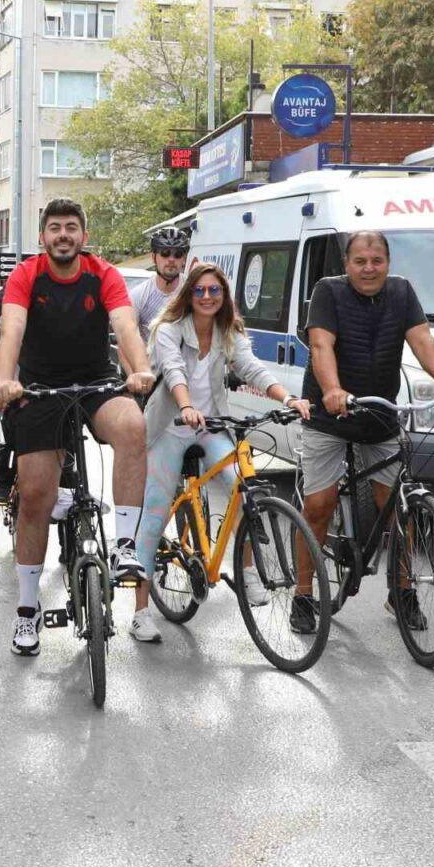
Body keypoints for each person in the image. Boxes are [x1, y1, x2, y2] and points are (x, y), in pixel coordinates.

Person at [0, 198, 155, 657]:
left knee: (132, 425)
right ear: (43, 237)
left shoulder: (103, 274)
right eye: (55, 228)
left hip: (96, 382)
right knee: (35, 500)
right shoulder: (27, 275)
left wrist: (139, 368)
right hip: (40, 388)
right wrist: (6, 379)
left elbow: (125, 327)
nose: (63, 235)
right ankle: (27, 610)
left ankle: (124, 545)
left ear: (83, 236)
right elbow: (13, 329)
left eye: (71, 228)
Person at [294, 231, 434, 631]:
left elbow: (422, 340)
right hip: (331, 415)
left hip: (379, 414)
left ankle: (401, 592)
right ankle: (303, 594)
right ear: (347, 264)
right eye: (360, 261)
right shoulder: (328, 292)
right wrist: (333, 389)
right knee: (318, 505)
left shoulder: (402, 292)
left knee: (398, 508)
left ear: (388, 263)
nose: (369, 268)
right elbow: (321, 346)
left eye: (377, 261)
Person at [131, 262, 312, 641]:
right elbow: (175, 371)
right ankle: (140, 612)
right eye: (200, 291)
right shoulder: (168, 330)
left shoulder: (227, 330)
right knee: (156, 510)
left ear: (224, 296)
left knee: (240, 485)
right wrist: (184, 406)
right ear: (189, 295)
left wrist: (287, 397)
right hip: (170, 425)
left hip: (211, 423)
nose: (208, 297)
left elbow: (251, 368)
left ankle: (246, 571)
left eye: (215, 291)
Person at [130, 227, 190, 343]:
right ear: (154, 258)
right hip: (151, 360)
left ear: (183, 259)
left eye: (177, 254)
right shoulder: (139, 295)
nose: (171, 259)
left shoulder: (193, 290)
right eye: (165, 253)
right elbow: (127, 341)